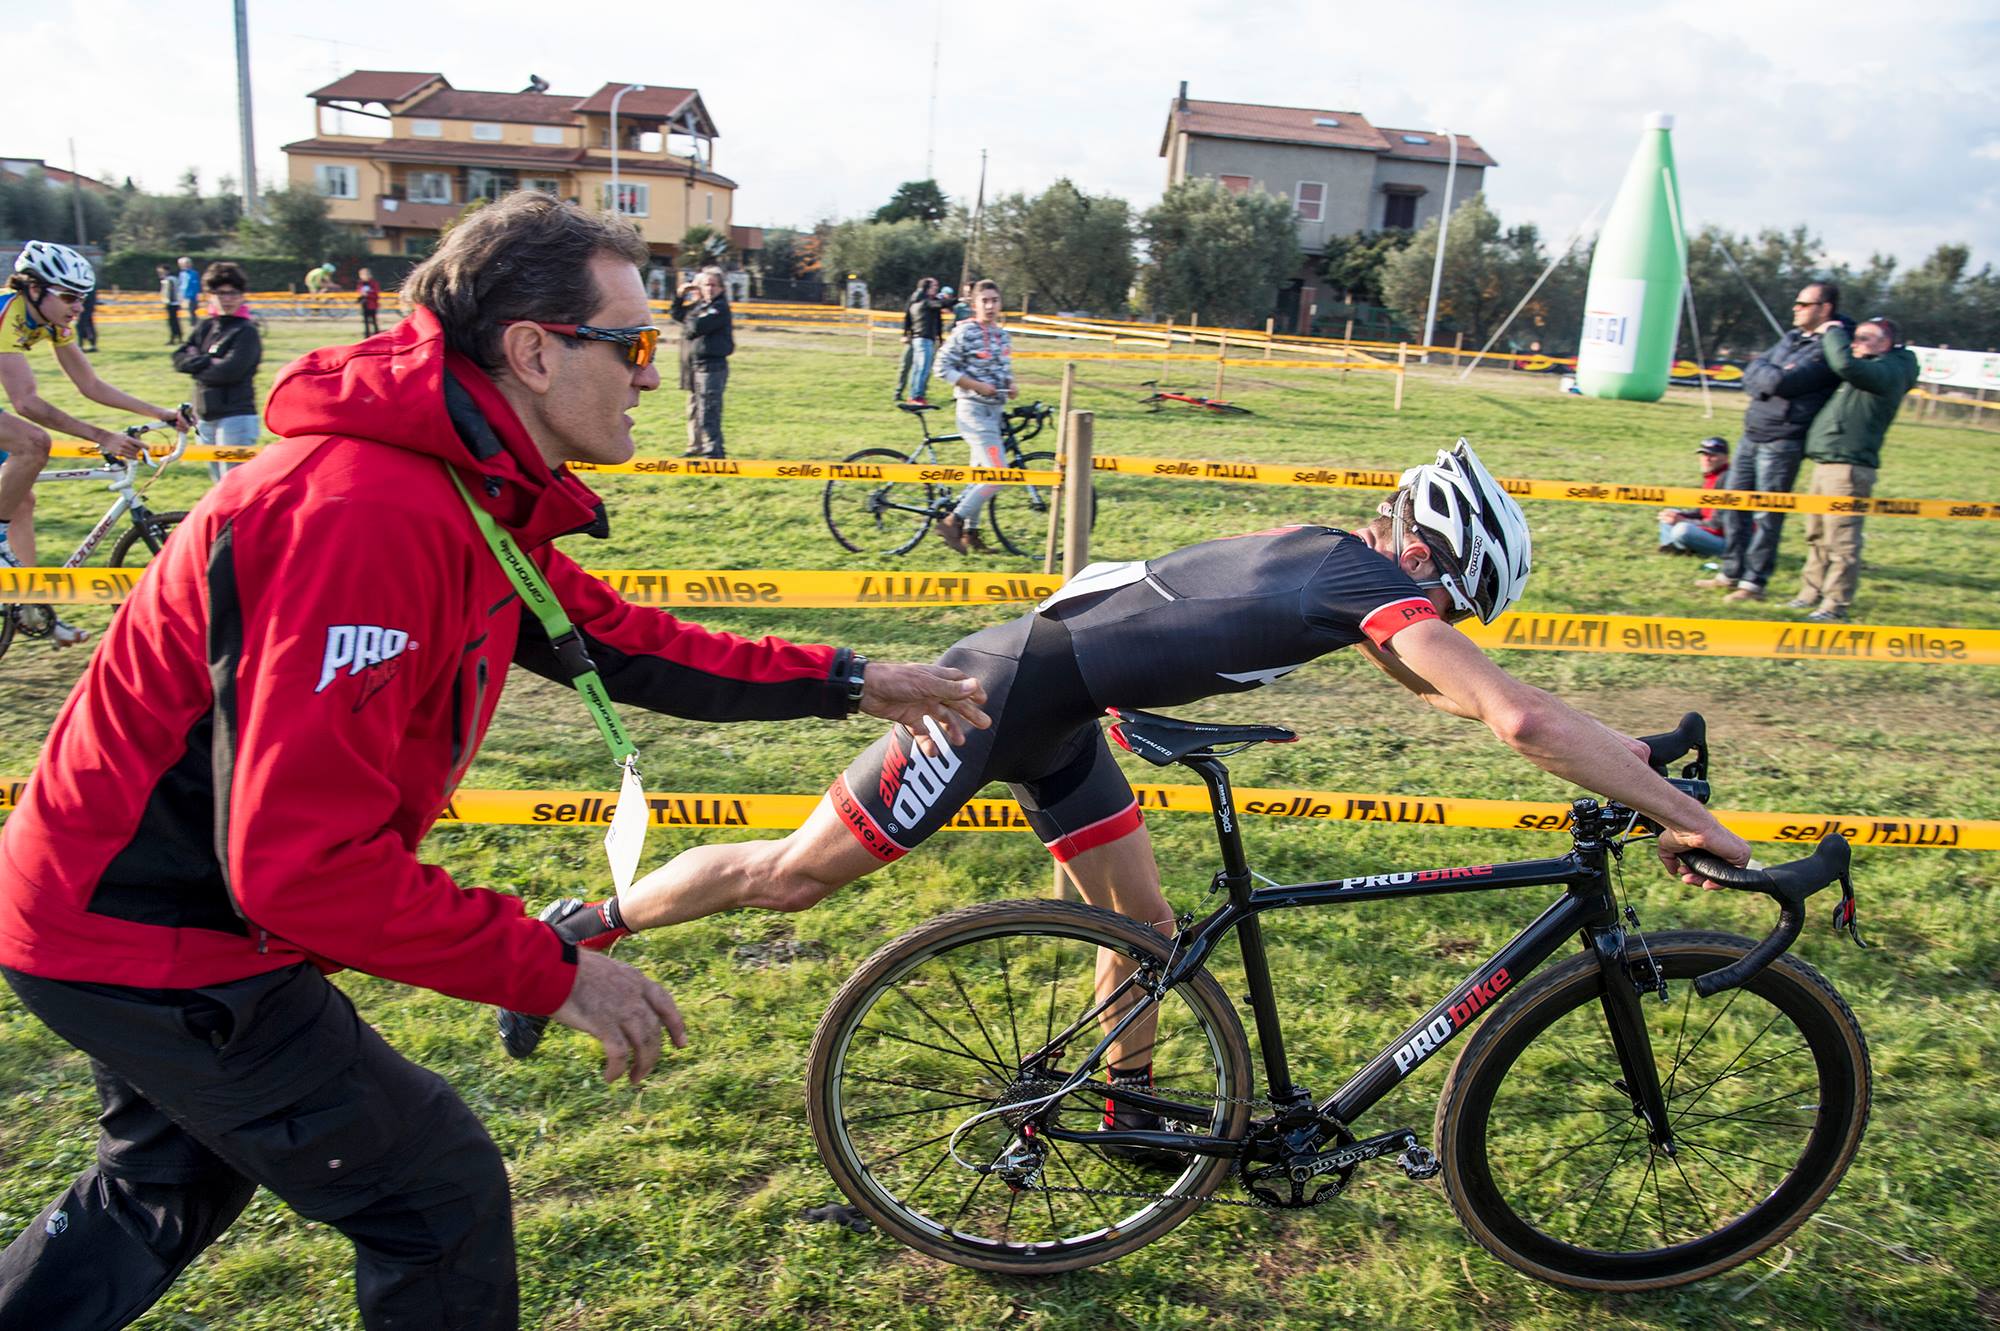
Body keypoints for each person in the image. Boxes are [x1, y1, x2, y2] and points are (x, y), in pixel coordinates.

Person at [0, 194, 986, 1331]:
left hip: (142, 909)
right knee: (433, 1191)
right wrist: (556, 969)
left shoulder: (457, 486)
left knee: (161, 1189)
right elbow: (301, 865)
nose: (650, 378)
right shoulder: (368, 513)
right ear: (532, 350)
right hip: (147, 930)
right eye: (633, 345)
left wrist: (850, 678)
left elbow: (619, 639)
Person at [497, 439, 1754, 1105]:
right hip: (988, 697)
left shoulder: (1337, 562)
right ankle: (581, 925)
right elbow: (1511, 715)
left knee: (1143, 926)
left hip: (1058, 708)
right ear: (1427, 557)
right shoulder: (1359, 579)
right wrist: (1682, 811)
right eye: (1448, 601)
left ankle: (1127, 1105)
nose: (1439, 623)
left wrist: (1632, 763)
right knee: (789, 877)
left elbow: (1463, 694)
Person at [0, 242, 189, 646]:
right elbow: (26, 402)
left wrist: (161, 413)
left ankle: (31, 606)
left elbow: (90, 384)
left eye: (83, 298)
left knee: (20, 499)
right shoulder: (7, 313)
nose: (78, 307)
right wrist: (102, 436)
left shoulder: (52, 322)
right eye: (69, 297)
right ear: (33, 288)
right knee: (34, 443)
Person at [1696, 282, 1849, 603]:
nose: (1796, 308)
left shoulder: (1831, 345)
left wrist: (1769, 376)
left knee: (1767, 515)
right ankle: (1731, 572)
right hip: (1751, 434)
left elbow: (1782, 381)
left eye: (1803, 304)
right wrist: (1768, 375)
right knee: (1733, 505)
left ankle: (1753, 584)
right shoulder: (1793, 338)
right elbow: (1753, 370)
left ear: (1825, 309)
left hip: (1783, 440)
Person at [1784, 317, 1919, 622]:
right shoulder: (1873, 366)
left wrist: (1832, 331)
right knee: (1817, 535)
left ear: (1885, 343)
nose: (1855, 343)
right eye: (1854, 337)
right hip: (1827, 462)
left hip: (1848, 468)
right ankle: (1809, 594)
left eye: (1864, 338)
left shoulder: (1889, 370)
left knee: (1842, 539)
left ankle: (1835, 605)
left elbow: (1844, 364)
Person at [933, 278, 1014, 554]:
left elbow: (1003, 369)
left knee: (979, 475)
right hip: (973, 411)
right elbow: (941, 368)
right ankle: (951, 522)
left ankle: (971, 534)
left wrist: (1010, 384)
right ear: (974, 304)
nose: (990, 306)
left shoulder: (1003, 336)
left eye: (995, 300)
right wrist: (976, 386)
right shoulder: (964, 332)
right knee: (999, 474)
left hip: (995, 412)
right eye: (985, 301)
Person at [172, 261, 264, 477]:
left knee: (234, 481)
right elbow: (178, 358)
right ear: (210, 295)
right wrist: (208, 361)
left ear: (242, 296)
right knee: (217, 482)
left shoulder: (246, 331)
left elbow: (230, 370)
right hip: (204, 414)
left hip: (236, 414)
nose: (227, 299)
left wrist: (196, 364)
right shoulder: (205, 326)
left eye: (233, 293)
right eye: (221, 293)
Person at [670, 265, 733, 459]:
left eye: (713, 285)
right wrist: (681, 296)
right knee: (694, 408)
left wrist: (692, 315)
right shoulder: (700, 306)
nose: (709, 289)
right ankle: (695, 446)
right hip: (693, 365)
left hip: (711, 367)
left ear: (721, 288)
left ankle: (713, 450)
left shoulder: (719, 307)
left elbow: (695, 327)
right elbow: (677, 314)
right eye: (705, 285)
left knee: (708, 408)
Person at [1656, 437, 1730, 556]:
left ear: (1725, 458)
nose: (1706, 459)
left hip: (1726, 541)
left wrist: (1683, 520)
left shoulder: (1729, 480)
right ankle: (1673, 548)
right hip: (1710, 530)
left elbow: (1718, 525)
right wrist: (1678, 516)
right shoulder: (1712, 476)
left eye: (1712, 455)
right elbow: (1700, 511)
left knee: (1682, 529)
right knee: (1670, 513)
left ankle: (1684, 547)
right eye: (1704, 454)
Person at [904, 277, 946, 405]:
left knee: (918, 369)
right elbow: (908, 318)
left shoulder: (919, 300)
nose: (936, 288)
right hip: (924, 338)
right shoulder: (925, 301)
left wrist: (939, 337)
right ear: (927, 288)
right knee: (923, 369)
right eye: (934, 286)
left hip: (921, 338)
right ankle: (917, 397)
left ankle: (914, 395)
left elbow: (938, 321)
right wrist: (957, 300)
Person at [159, 263, 182, 343]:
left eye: (161, 271)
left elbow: (171, 293)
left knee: (173, 322)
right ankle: (177, 337)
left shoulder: (170, 280)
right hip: (172, 303)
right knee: (173, 321)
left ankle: (174, 337)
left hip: (172, 303)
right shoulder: (169, 279)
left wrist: (168, 302)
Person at [356, 266, 382, 336]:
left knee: (374, 321)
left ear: (370, 275)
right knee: (366, 321)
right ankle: (367, 335)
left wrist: (368, 294)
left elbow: (376, 293)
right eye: (362, 275)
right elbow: (359, 290)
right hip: (364, 305)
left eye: (366, 274)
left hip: (372, 305)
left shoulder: (373, 283)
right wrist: (361, 294)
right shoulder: (360, 283)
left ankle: (376, 334)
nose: (364, 276)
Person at [175, 255, 201, 327]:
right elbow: (180, 284)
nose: (183, 266)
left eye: (185, 264)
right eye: (181, 264)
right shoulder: (181, 274)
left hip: (191, 294)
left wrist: (195, 293)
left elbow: (196, 284)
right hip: (182, 294)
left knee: (192, 309)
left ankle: (193, 323)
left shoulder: (194, 273)